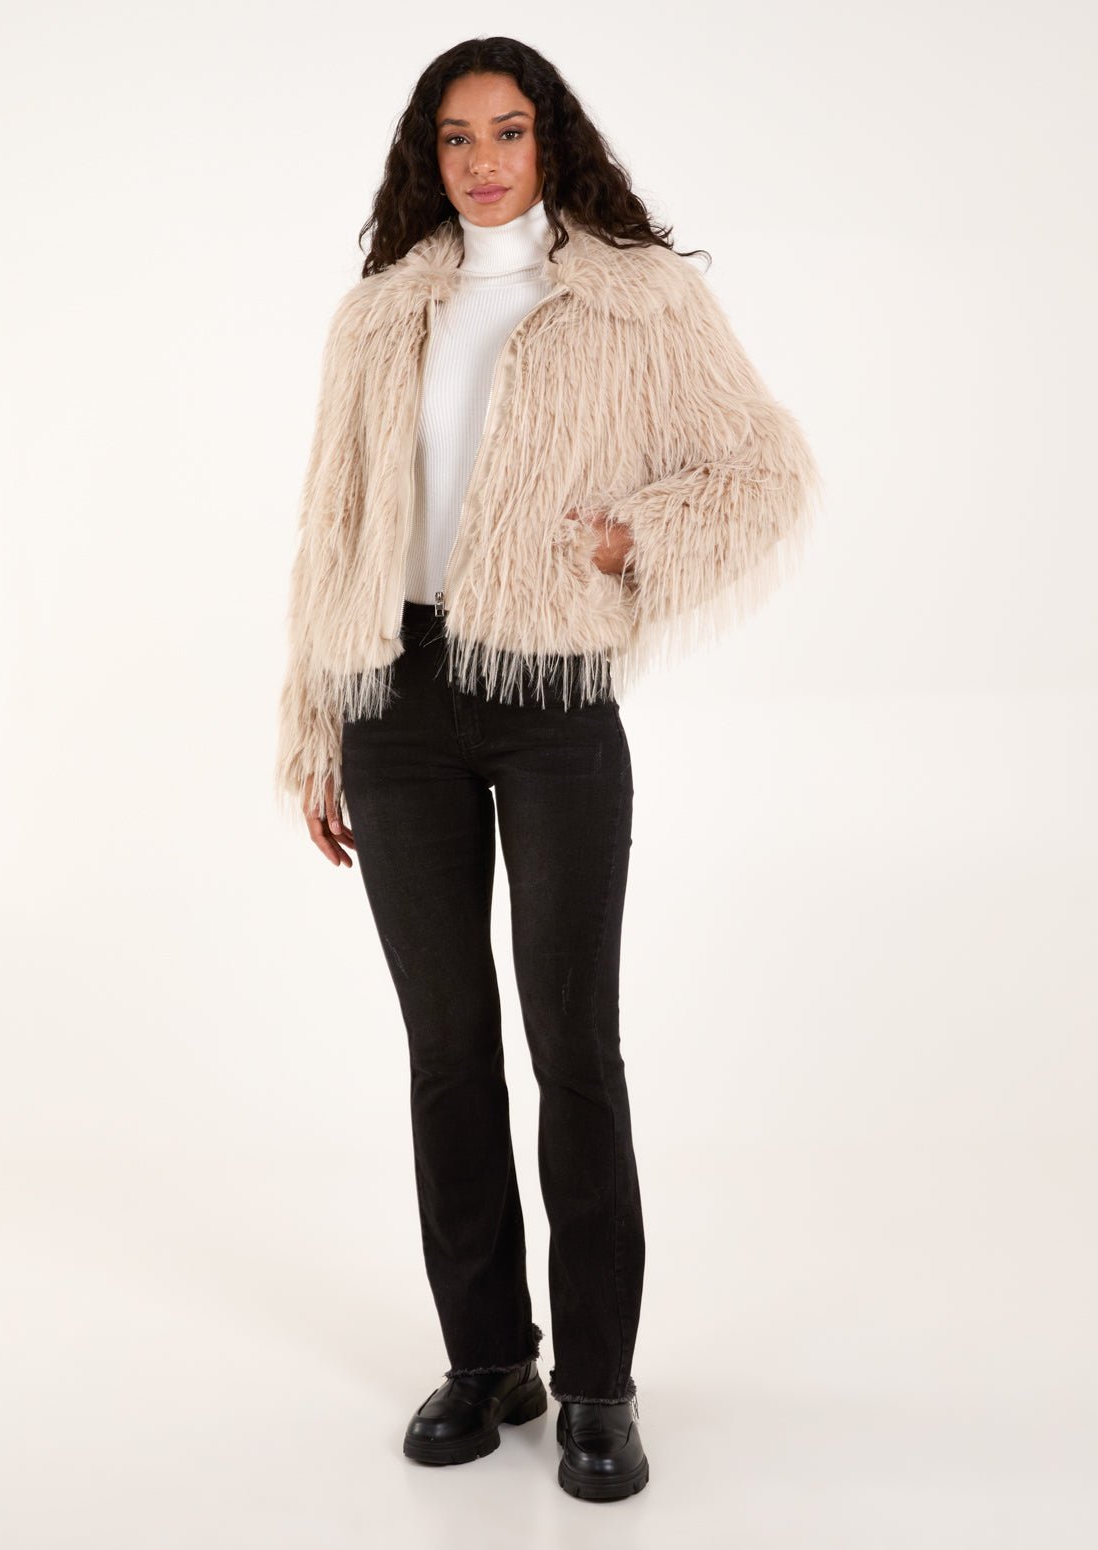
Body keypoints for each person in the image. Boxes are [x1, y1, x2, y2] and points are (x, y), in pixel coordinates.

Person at [274, 37, 820, 1502]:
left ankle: (596, 1384)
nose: (482, 161)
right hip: (395, 697)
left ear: (551, 139)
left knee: (574, 1046)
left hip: (554, 693)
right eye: (456, 138)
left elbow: (764, 468)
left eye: (507, 131)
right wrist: (315, 723)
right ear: (428, 154)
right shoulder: (380, 315)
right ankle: (487, 1358)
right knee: (446, 1047)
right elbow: (331, 529)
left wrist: (638, 538)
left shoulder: (639, 296)